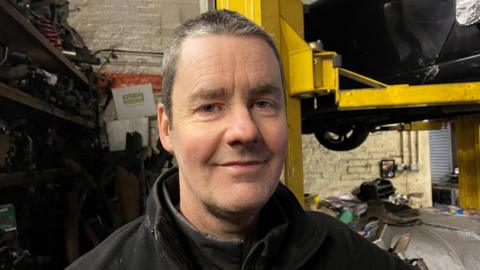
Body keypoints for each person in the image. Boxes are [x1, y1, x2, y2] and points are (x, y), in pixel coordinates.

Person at [67, 9, 414, 270]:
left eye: (263, 103)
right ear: (167, 128)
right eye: (209, 107)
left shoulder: (345, 254)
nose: (244, 131)